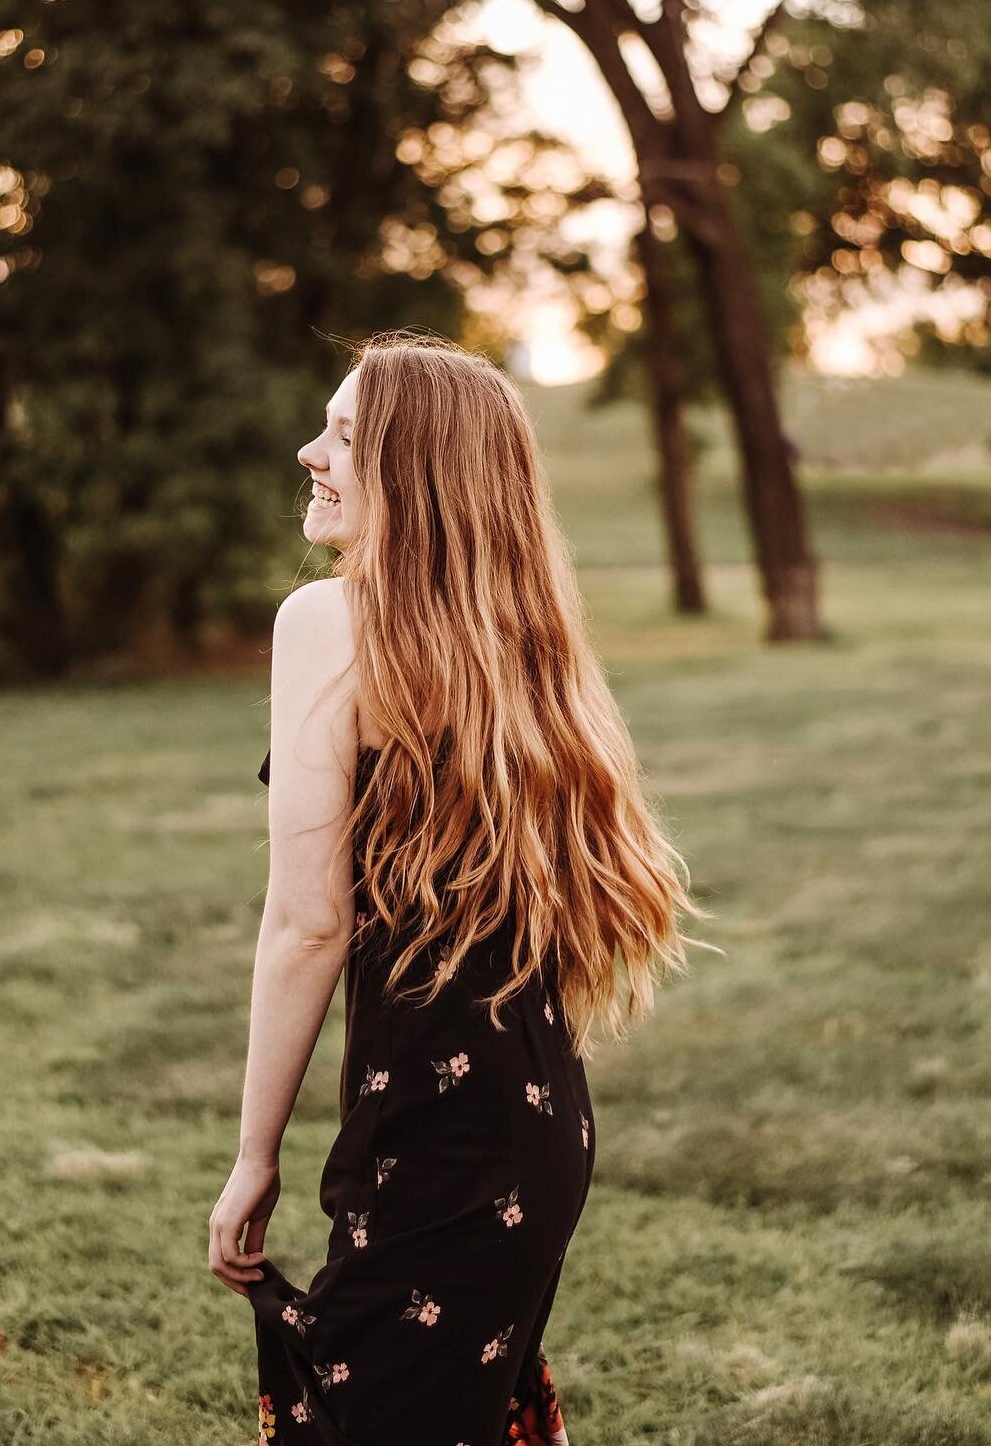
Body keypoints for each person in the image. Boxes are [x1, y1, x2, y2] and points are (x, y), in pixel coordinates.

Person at [208, 331, 701, 1445]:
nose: (309, 451)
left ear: (413, 474)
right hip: (537, 1126)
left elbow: (308, 923)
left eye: (342, 436)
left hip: (437, 1139)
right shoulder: (511, 643)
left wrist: (253, 1160)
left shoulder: (328, 622)